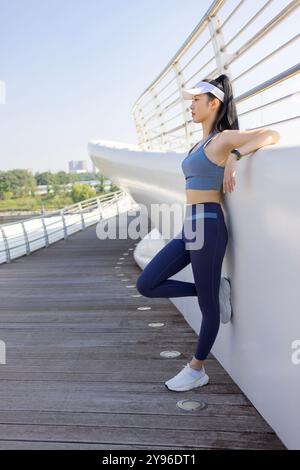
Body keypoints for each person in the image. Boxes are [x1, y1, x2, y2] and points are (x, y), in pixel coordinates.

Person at [135, 74, 280, 392]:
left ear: (214, 103)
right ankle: (209, 289)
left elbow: (271, 134)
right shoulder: (197, 144)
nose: (190, 105)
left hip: (210, 224)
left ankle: (197, 369)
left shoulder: (224, 139)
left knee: (208, 310)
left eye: (196, 100)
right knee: (147, 284)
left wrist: (235, 156)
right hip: (190, 225)